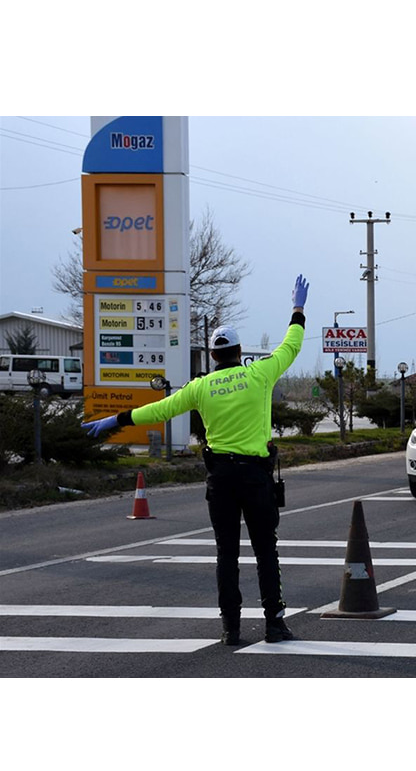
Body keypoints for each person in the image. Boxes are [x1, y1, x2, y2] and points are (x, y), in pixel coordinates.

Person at [82, 274, 310, 646]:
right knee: (265, 550)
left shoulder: (200, 387)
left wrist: (116, 420)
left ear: (213, 355)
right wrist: (297, 308)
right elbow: (292, 344)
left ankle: (231, 628)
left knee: (227, 554)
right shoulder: (260, 374)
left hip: (220, 479)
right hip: (255, 477)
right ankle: (274, 623)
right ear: (239, 351)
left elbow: (159, 409)